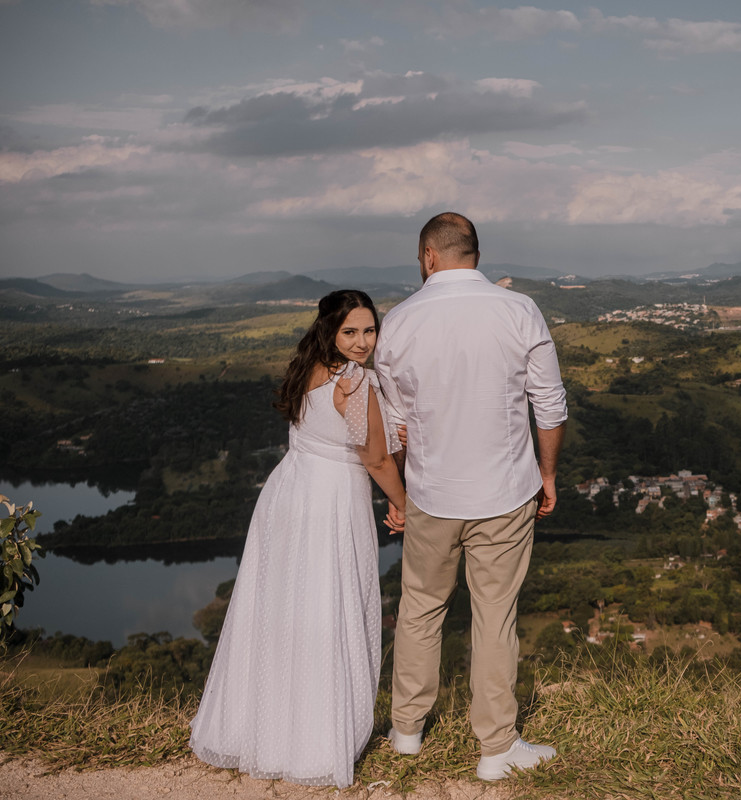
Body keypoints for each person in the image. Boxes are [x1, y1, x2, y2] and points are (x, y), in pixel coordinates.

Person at [374, 212, 568, 781]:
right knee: (494, 617)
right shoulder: (519, 310)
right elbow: (550, 406)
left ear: (428, 256)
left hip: (432, 494)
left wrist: (405, 489)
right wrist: (548, 474)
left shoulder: (400, 323)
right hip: (506, 492)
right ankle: (496, 748)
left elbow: (396, 423)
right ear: (474, 253)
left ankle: (406, 730)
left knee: (419, 610)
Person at [190, 289, 406, 788]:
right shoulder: (354, 384)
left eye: (369, 330)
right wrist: (403, 505)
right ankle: (314, 740)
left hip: (288, 492)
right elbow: (373, 457)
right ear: (330, 330)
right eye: (350, 331)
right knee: (329, 610)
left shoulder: (309, 369)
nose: (362, 342)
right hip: (330, 501)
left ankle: (257, 730)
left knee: (277, 611)